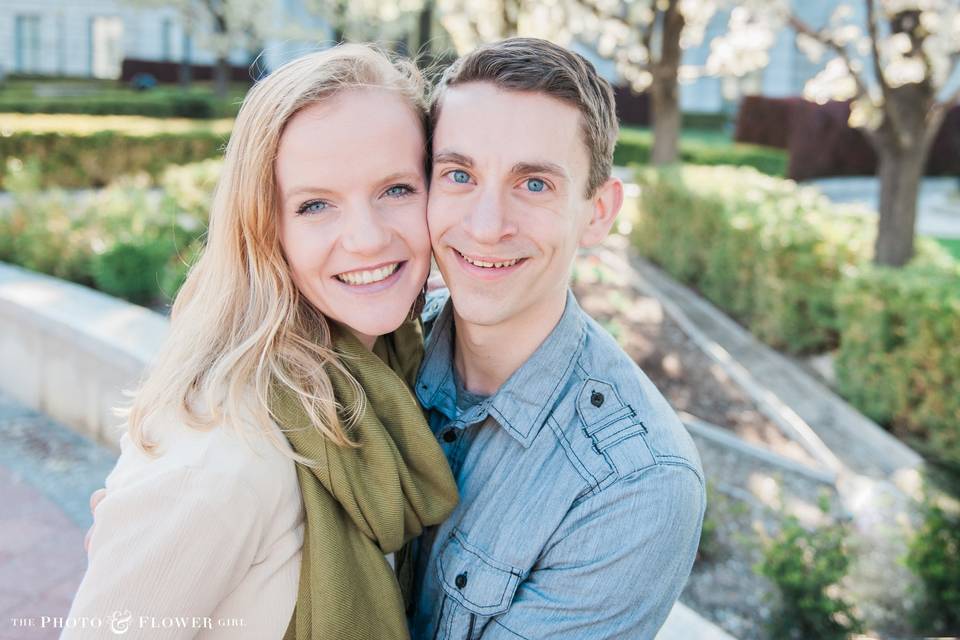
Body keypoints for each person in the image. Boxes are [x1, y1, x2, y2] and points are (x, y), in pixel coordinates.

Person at [67, 45, 458, 640]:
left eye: (397, 190)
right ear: (264, 226)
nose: (367, 238)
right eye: (315, 205)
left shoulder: (395, 368)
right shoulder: (225, 451)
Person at [406, 38, 706, 639]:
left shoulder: (636, 488)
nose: (487, 227)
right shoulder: (378, 346)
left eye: (534, 184)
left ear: (597, 212)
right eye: (459, 174)